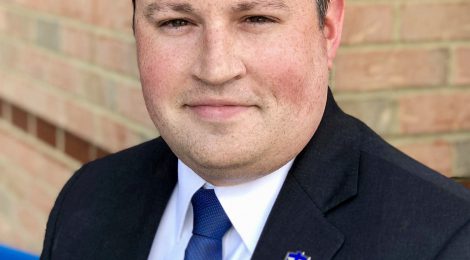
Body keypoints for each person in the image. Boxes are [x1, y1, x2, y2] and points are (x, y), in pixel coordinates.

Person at [40, 0, 470, 259]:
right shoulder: (89, 197)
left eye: (257, 18)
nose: (216, 68)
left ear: (328, 29)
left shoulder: (445, 242)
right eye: (177, 22)